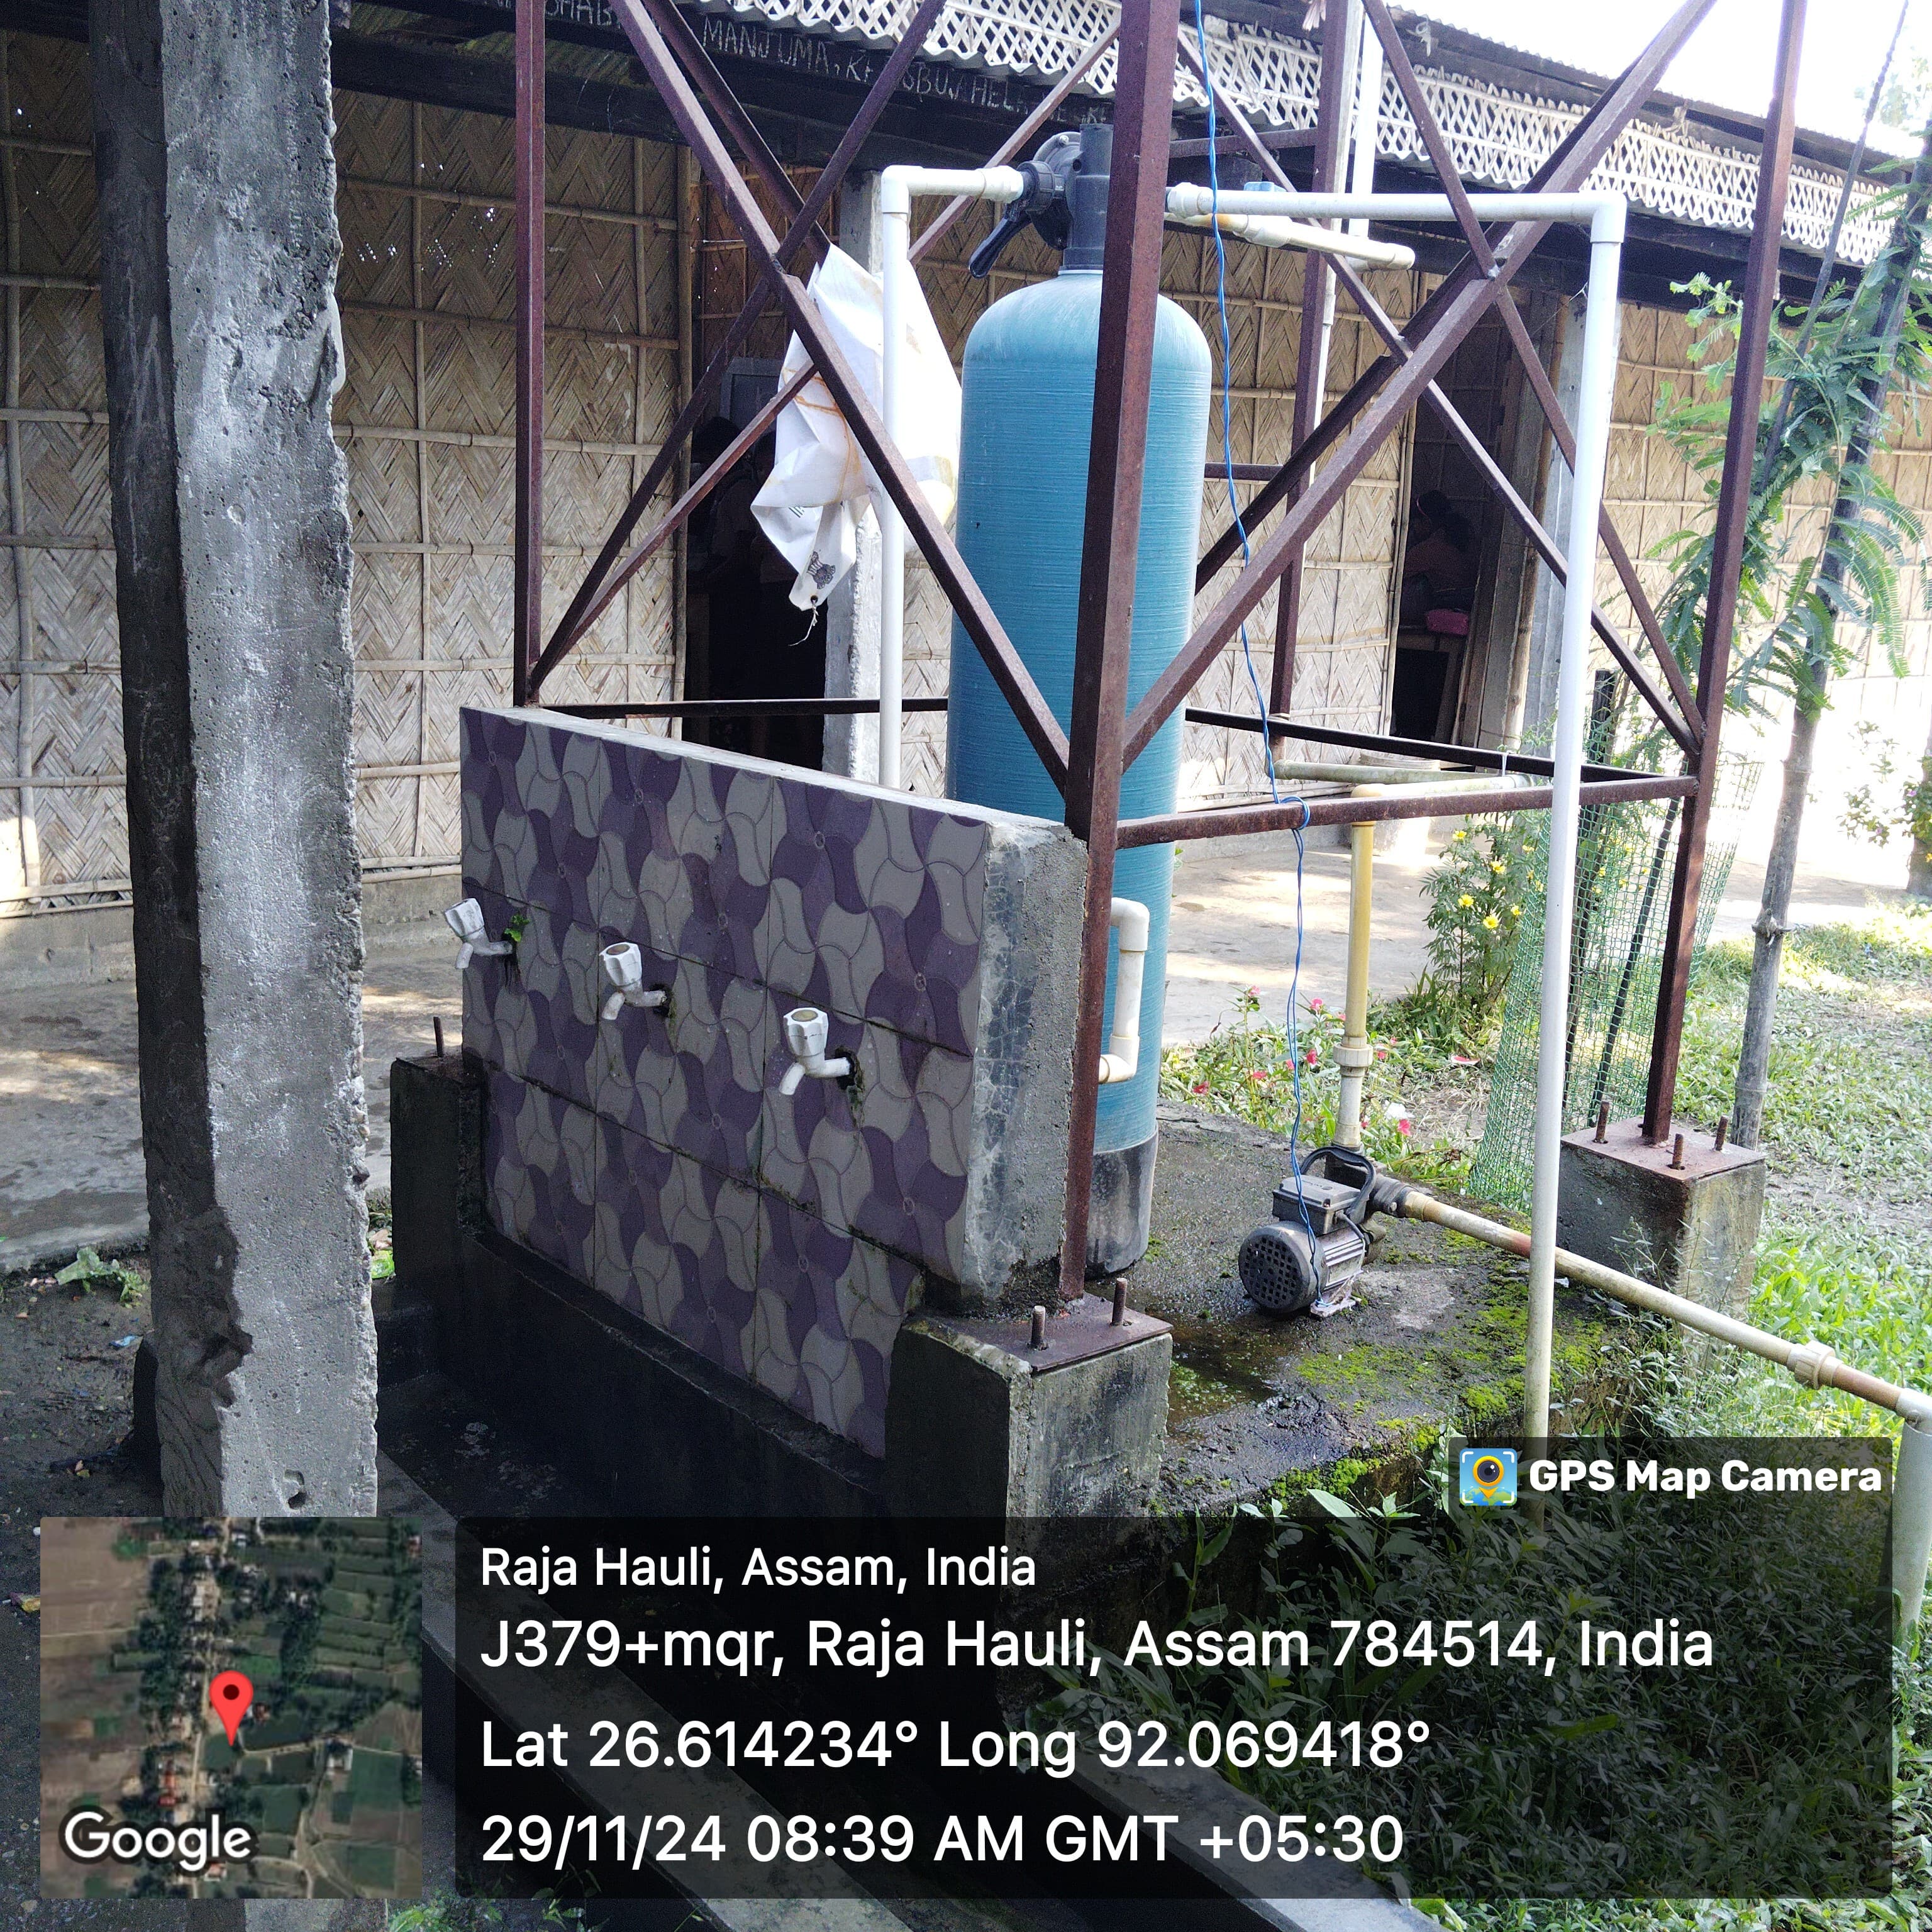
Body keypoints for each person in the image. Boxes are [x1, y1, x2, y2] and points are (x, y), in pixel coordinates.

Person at [1401, 487, 1476, 625]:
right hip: (1470, 601)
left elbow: (1398, 573)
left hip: (1449, 602)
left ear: (1426, 522)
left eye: (1415, 524)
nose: (1414, 528)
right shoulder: (1466, 535)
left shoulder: (1431, 547)